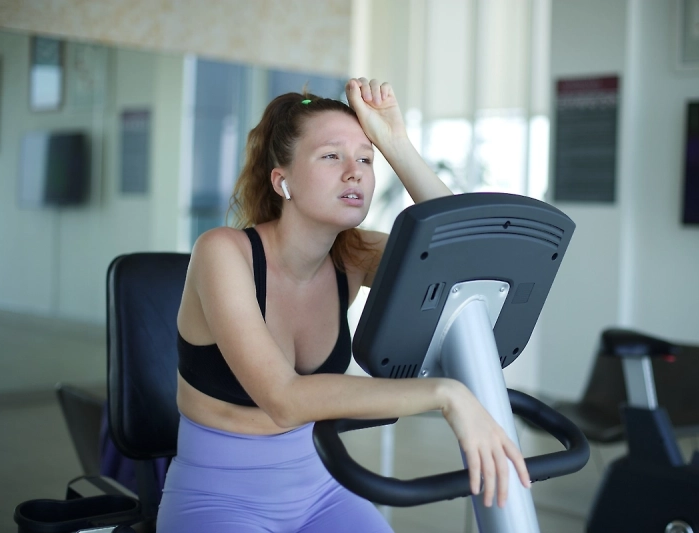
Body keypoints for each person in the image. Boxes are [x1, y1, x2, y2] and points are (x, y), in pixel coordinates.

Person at [156, 78, 530, 533]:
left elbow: (466, 258)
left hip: (321, 490)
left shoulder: (353, 256)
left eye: (366, 159)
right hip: (219, 499)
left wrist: (395, 141)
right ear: (282, 180)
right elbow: (284, 400)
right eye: (332, 156)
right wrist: (446, 395)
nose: (354, 172)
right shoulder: (222, 252)